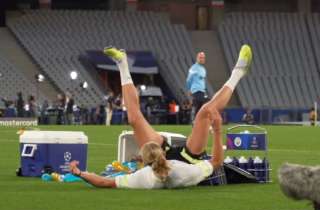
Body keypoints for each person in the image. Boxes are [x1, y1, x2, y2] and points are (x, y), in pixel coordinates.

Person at [69, 45, 252, 189]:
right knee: (205, 112)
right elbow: (216, 161)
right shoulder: (185, 174)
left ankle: (122, 63)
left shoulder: (144, 178)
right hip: (189, 160)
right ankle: (238, 72)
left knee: (134, 119)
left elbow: (105, 182)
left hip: (162, 161)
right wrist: (218, 130)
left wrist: (80, 173)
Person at [186, 51, 208, 121]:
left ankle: (198, 123)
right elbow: (188, 79)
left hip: (202, 91)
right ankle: (194, 122)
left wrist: (204, 90)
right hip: (196, 90)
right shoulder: (193, 68)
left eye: (203, 58)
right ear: (197, 58)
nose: (202, 59)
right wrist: (189, 89)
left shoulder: (203, 69)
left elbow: (202, 81)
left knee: (200, 108)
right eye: (200, 58)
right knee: (198, 107)